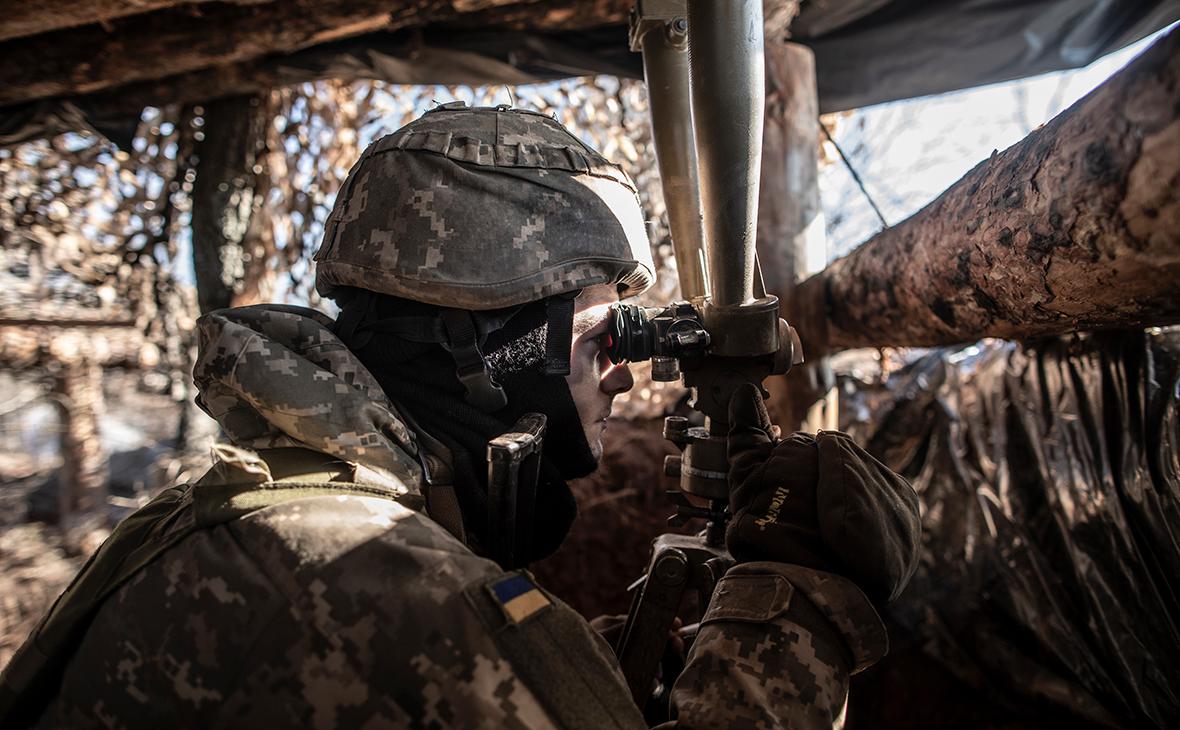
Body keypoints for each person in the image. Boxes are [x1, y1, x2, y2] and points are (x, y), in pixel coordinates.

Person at [0, 104, 921, 729]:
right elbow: (413, 652)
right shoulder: (368, 584)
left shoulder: (251, 514)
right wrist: (794, 613)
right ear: (489, 347)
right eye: (604, 336)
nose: (625, 377)